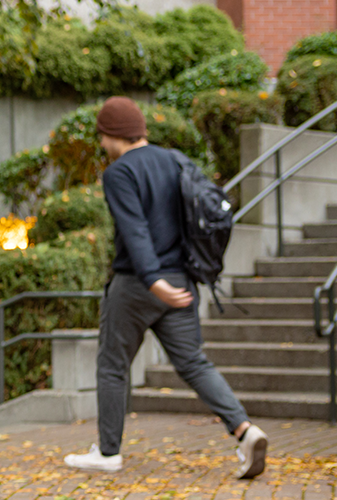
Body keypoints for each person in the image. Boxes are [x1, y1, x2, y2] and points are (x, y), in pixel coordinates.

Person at [63, 96, 267, 479]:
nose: (102, 144)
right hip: (182, 282)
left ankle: (108, 453)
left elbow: (134, 229)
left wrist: (152, 280)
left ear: (112, 134)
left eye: (103, 136)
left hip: (139, 284)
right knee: (193, 362)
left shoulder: (119, 173)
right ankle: (245, 430)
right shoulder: (175, 160)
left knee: (112, 364)